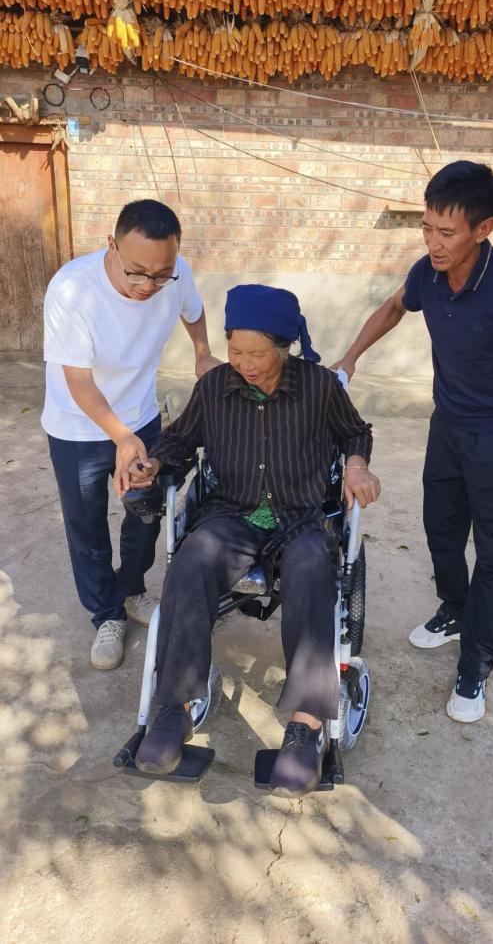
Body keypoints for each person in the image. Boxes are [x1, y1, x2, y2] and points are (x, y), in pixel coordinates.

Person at [121, 284, 380, 795]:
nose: (244, 363)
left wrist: (355, 465)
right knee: (191, 561)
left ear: (285, 347)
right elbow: (180, 441)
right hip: (233, 513)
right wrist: (153, 464)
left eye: (257, 354)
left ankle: (306, 727)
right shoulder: (215, 386)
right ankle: (173, 708)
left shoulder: (319, 386)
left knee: (312, 569)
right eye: (235, 350)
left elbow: (356, 432)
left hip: (301, 515)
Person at [334, 161, 493, 724]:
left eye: (447, 232)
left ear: (482, 230)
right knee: (440, 527)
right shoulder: (428, 274)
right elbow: (394, 307)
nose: (433, 243)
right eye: (427, 228)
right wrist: (350, 356)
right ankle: (455, 610)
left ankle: (476, 663)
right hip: (447, 425)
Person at [42, 199, 219, 672]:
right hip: (77, 426)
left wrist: (202, 352)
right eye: (137, 273)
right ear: (112, 246)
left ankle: (132, 587)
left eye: (160, 276)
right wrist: (120, 436)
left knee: (145, 511)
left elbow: (193, 311)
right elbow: (79, 381)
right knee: (87, 525)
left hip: (139, 416)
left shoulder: (175, 273)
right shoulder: (72, 289)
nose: (148, 286)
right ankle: (106, 615)